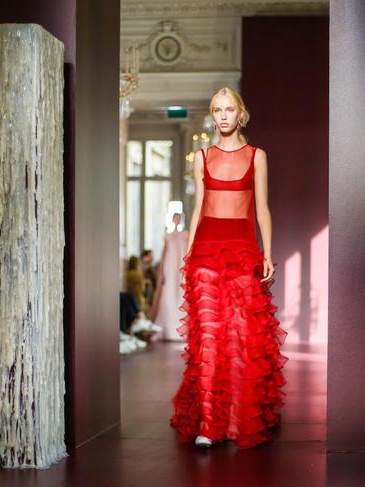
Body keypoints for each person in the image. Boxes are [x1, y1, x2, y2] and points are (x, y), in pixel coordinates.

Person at [169, 87, 288, 449]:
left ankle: (238, 420)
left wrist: (267, 253)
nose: (223, 116)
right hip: (206, 251)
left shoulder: (257, 156)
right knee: (208, 339)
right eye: (217, 110)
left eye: (228, 110)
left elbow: (262, 209)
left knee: (241, 337)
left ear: (241, 114)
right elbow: (198, 208)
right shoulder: (202, 156)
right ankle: (209, 424)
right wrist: (189, 255)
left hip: (242, 252)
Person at [149, 212, 189, 341]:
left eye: (179, 218)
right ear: (172, 220)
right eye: (175, 218)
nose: (177, 220)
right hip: (170, 267)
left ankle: (182, 329)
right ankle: (168, 329)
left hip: (181, 266)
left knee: (181, 294)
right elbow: (164, 253)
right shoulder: (168, 236)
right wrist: (161, 272)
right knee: (168, 294)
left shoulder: (186, 235)